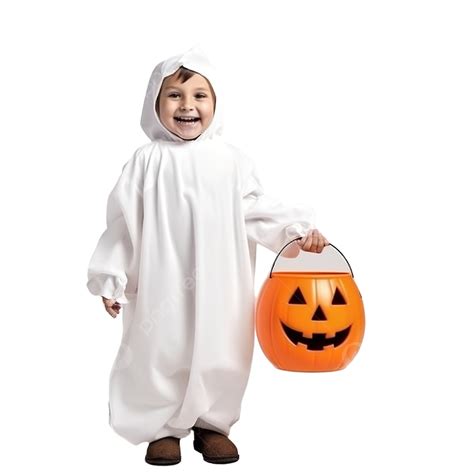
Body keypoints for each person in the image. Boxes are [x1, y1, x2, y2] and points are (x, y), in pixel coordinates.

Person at [86, 45, 329, 465]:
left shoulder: (231, 162)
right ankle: (162, 427)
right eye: (174, 95)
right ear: (155, 103)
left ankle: (213, 423)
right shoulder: (146, 162)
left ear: (216, 104)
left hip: (221, 282)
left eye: (200, 95)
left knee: (223, 346)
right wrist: (112, 276)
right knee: (159, 347)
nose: (187, 105)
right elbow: (125, 224)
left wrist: (295, 232)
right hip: (163, 282)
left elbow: (256, 211)